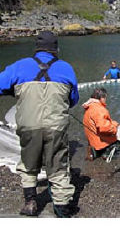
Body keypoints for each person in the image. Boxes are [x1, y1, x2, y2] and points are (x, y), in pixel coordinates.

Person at [0, 31, 79, 218]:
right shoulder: (66, 68)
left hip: (28, 126)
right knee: (57, 165)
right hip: (56, 127)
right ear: (56, 49)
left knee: (29, 163)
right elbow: (73, 99)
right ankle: (61, 209)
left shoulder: (19, 66)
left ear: (36, 48)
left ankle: (30, 203)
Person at [82, 88, 120, 161]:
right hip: (99, 142)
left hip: (92, 140)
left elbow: (105, 121)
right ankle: (106, 153)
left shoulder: (90, 106)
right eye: (105, 97)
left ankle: (94, 151)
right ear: (102, 98)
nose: (106, 100)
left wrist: (116, 124)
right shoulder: (99, 109)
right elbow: (104, 128)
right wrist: (116, 130)